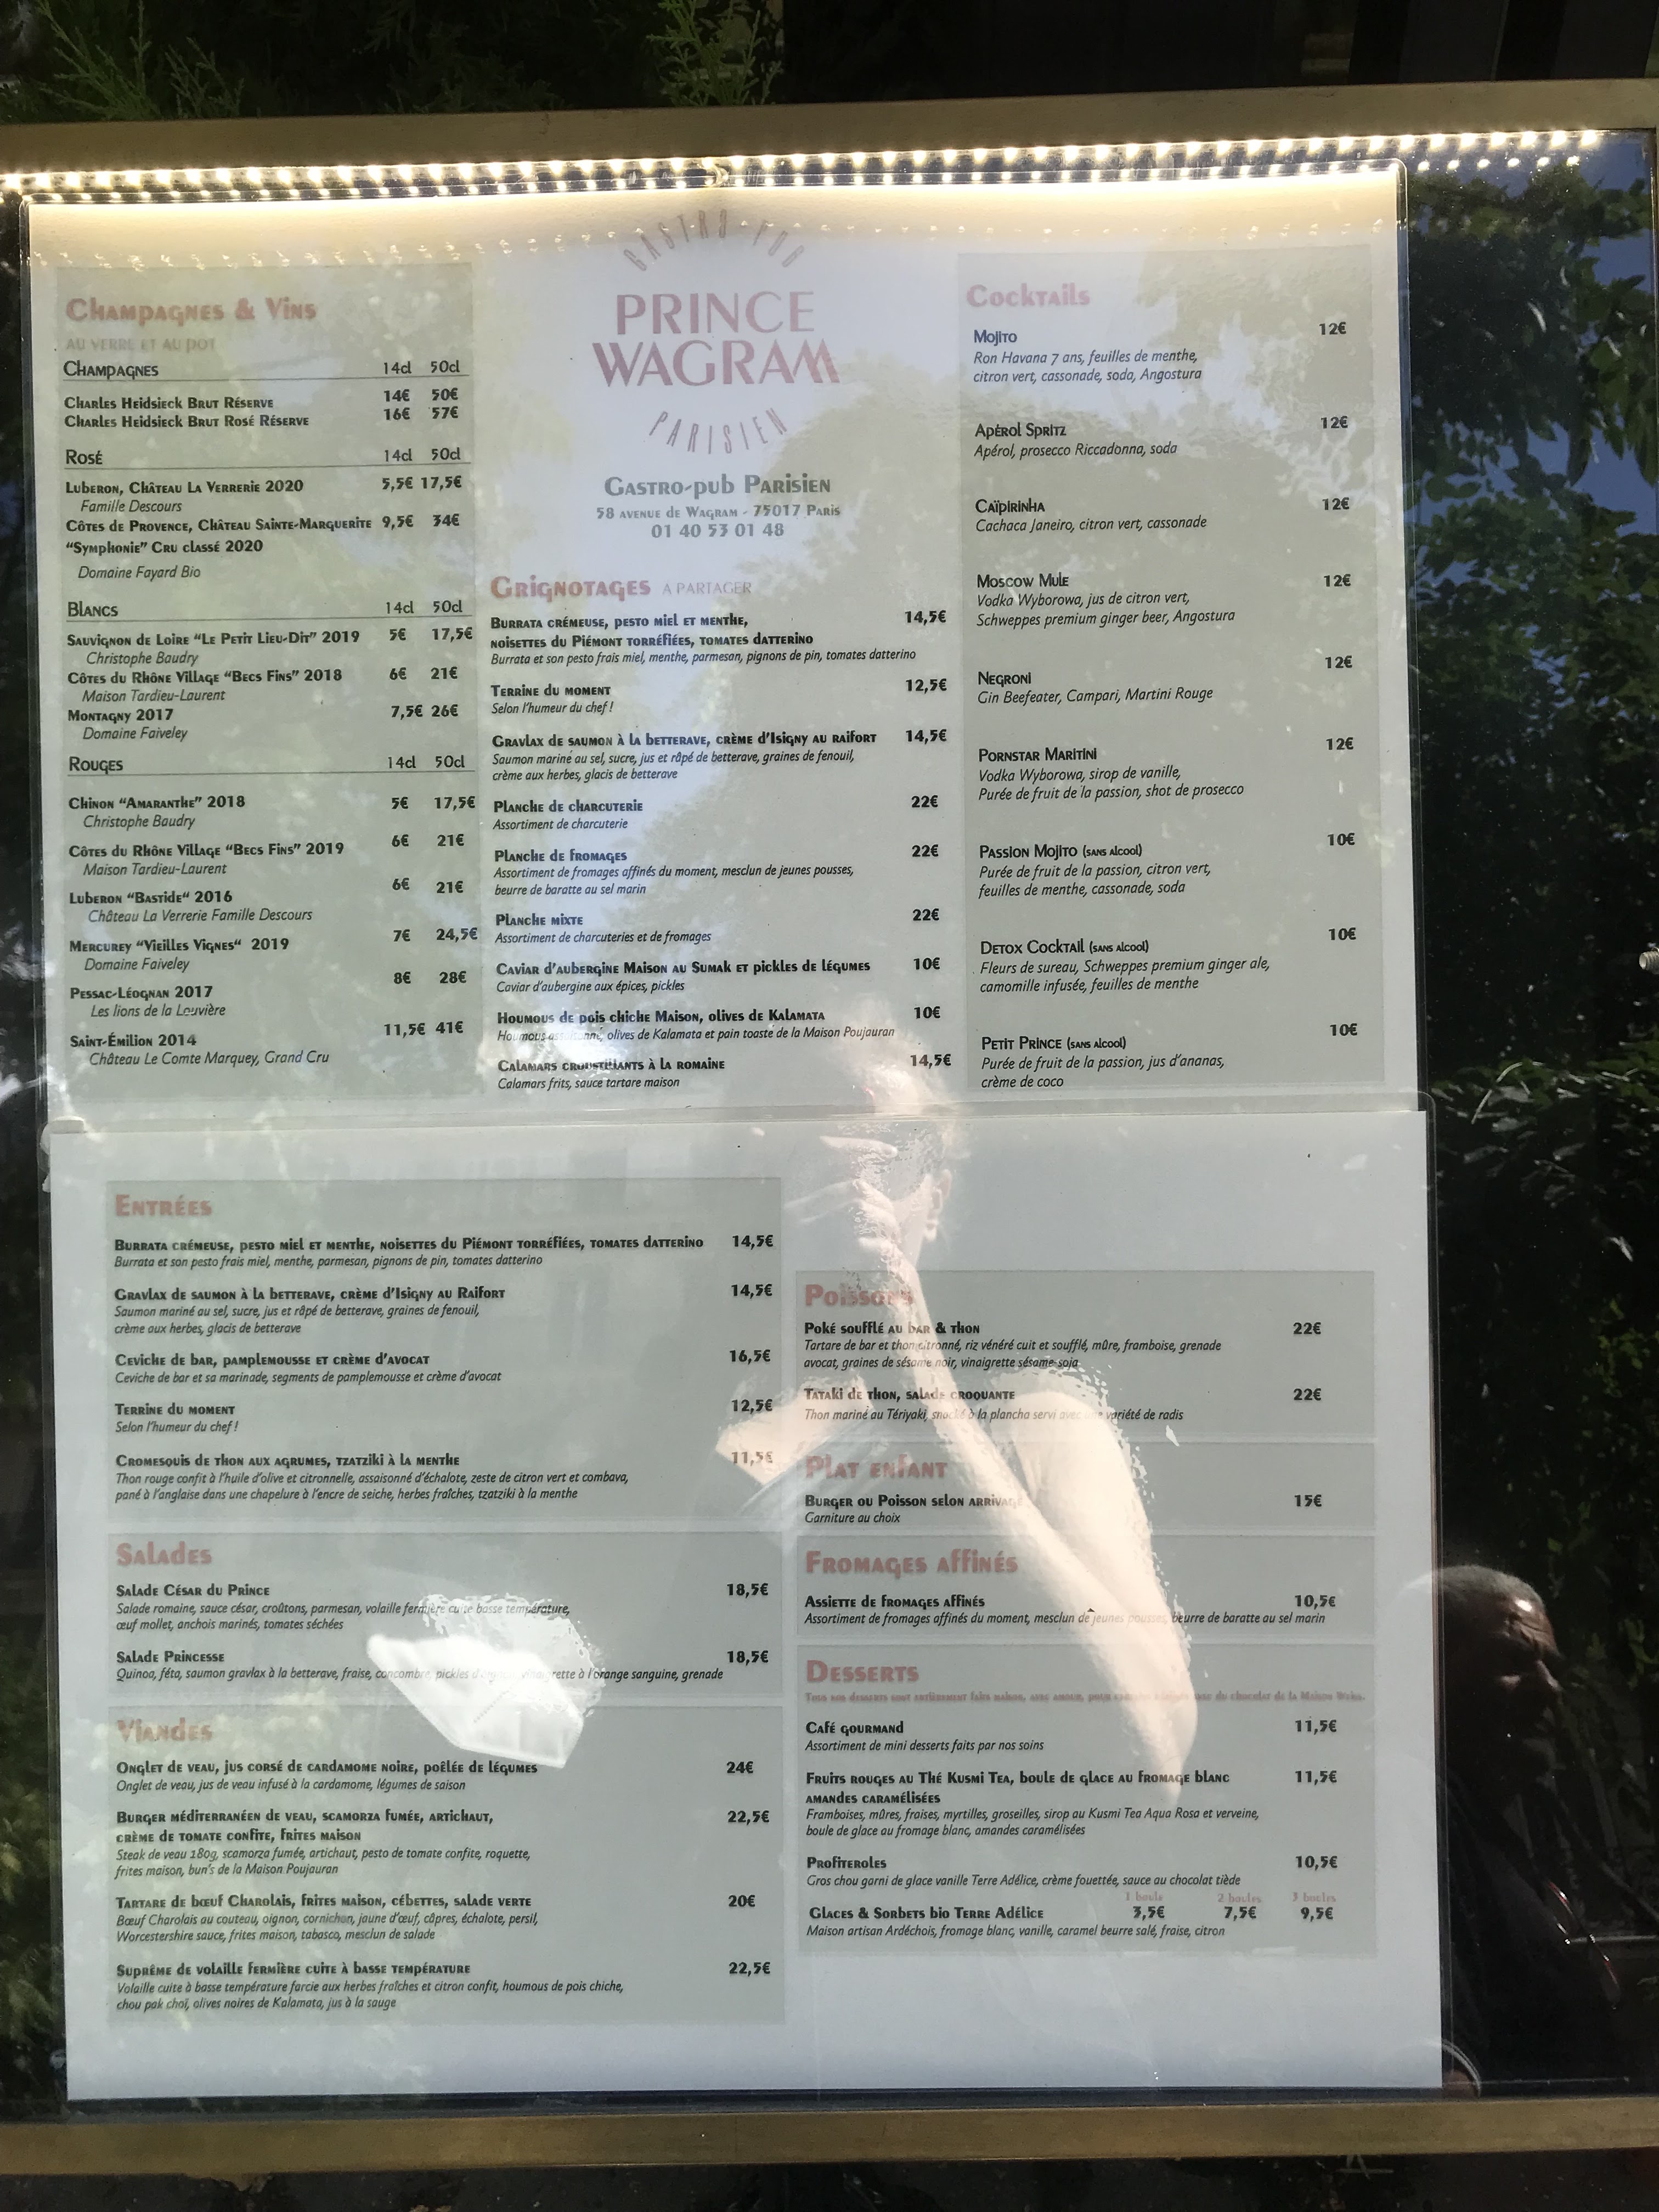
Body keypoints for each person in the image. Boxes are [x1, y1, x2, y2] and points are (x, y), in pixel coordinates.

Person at [1440, 1564, 1622, 2086]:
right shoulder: (1418, 1811)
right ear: (1425, 1673)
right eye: (1513, 1661)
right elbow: (1444, 2084)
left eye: (1553, 1668)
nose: (1550, 1689)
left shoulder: (1486, 1830)